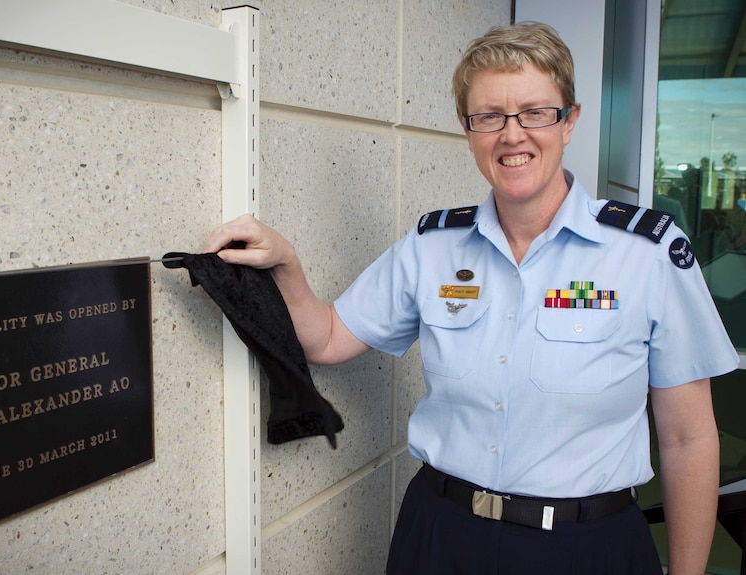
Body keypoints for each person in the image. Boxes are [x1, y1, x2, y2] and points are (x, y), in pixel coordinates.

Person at [204, 22, 740, 575]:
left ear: (569, 121)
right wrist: (288, 267)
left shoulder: (646, 253)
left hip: (586, 548)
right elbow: (329, 337)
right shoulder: (433, 248)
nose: (512, 135)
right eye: (489, 117)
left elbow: (687, 438)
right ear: (468, 128)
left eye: (535, 112)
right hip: (441, 537)